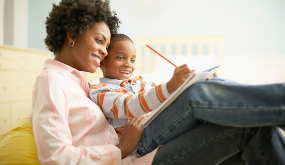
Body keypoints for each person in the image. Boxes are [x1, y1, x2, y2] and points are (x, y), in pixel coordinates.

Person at [28, 1, 285, 165]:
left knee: (253, 128)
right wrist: (120, 148)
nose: (104, 52)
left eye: (107, 46)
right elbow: (55, 159)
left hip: (140, 151)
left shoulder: (77, 82)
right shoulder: (52, 81)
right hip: (133, 155)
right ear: (71, 35)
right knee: (197, 94)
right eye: (99, 41)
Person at [89, 33, 285, 164]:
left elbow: (166, 103)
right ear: (103, 59)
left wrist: (191, 84)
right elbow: (130, 105)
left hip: (159, 128)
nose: (128, 65)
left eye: (132, 60)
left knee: (205, 87)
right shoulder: (100, 90)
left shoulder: (140, 81)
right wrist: (170, 86)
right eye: (121, 57)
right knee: (196, 94)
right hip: (141, 139)